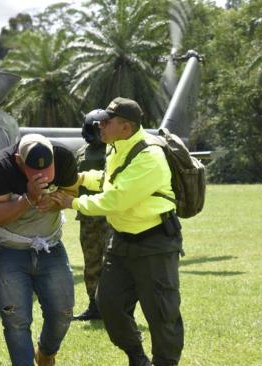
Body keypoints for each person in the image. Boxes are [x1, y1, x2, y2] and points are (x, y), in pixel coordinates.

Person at [52, 97, 184, 366]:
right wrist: (79, 179)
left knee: (161, 313)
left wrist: (72, 202)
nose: (100, 125)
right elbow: (108, 181)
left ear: (126, 127)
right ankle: (137, 357)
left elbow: (116, 199)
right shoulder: (116, 148)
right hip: (122, 240)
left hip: (154, 241)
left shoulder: (149, 155)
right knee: (108, 305)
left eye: (106, 121)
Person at [0, 133, 79, 366]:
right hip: (7, 248)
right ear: (18, 160)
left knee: (63, 312)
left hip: (49, 246)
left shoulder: (63, 157)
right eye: (35, 171)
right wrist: (28, 199)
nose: (43, 175)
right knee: (16, 319)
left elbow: (73, 192)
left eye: (48, 170)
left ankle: (45, 353)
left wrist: (55, 200)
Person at [72, 109, 113, 321]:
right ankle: (94, 305)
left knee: (112, 263)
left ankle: (115, 307)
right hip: (87, 217)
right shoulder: (80, 153)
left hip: (109, 216)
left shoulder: (113, 152)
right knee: (91, 262)